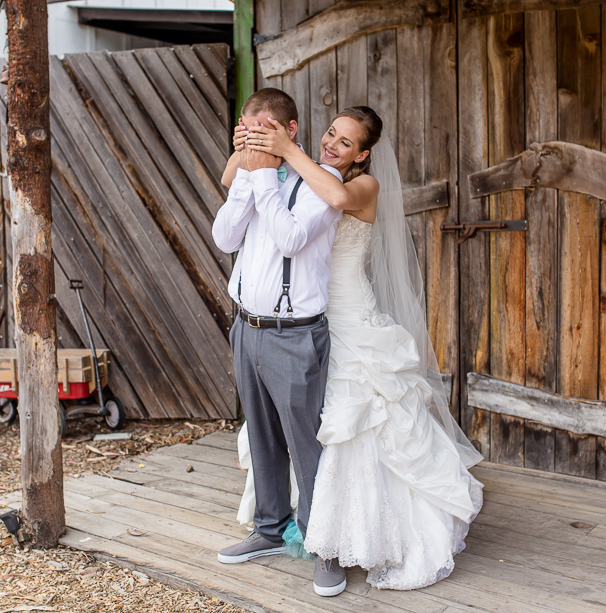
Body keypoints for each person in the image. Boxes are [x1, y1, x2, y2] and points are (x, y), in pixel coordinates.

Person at [227, 106, 485, 593]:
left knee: (348, 426)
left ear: (363, 155)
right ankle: (279, 524)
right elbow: (235, 180)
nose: (333, 145)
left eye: (345, 142)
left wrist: (287, 151)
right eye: (330, 133)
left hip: (349, 320)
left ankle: (339, 541)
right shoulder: (304, 173)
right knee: (295, 425)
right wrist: (252, 142)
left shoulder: (362, 187)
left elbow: (336, 195)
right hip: (309, 317)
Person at [211, 88, 348, 597]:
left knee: (306, 444)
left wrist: (263, 171)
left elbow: (290, 238)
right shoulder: (253, 174)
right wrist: (246, 174)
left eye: (262, 129)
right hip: (246, 327)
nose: (252, 139)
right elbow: (225, 238)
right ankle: (270, 529)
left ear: (289, 131)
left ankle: (324, 545)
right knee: (263, 438)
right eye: (247, 130)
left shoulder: (324, 180)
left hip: (295, 336)